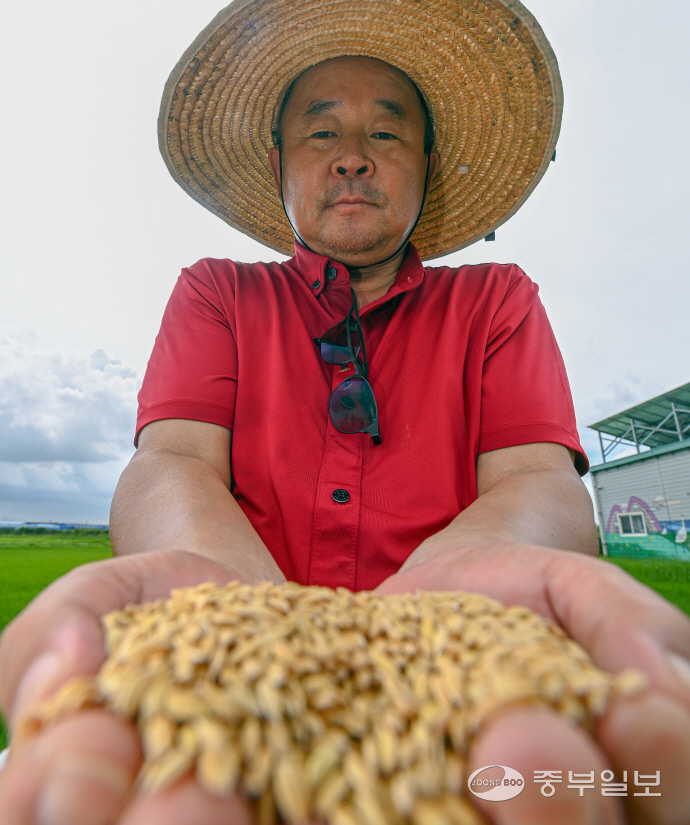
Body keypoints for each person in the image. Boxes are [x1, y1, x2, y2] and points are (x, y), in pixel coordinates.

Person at [0, 1, 688, 824]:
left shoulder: (496, 301)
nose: (355, 159)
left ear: (426, 163)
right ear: (279, 161)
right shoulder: (217, 292)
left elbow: (539, 481)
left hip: (447, 701)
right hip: (240, 688)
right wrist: (235, 598)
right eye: (322, 133)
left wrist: (447, 587)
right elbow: (172, 460)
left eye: (387, 134)